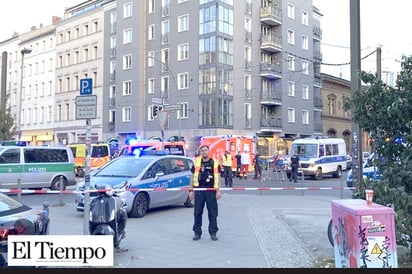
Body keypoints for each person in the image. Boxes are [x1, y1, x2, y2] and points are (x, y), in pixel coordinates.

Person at [189, 145, 221, 241]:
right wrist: (191, 190)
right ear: (200, 152)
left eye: (205, 150)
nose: (204, 152)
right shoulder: (197, 162)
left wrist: (218, 190)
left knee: (213, 212)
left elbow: (218, 177)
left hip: (211, 191)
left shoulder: (214, 163)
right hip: (199, 191)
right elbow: (192, 177)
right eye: (202, 151)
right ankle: (197, 233)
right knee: (197, 213)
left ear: (209, 151)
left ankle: (213, 232)